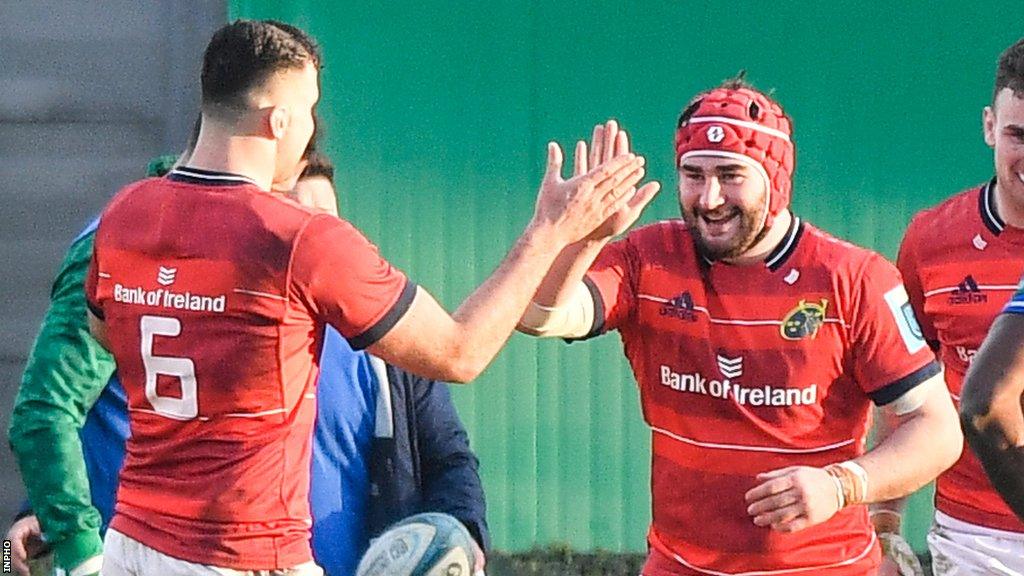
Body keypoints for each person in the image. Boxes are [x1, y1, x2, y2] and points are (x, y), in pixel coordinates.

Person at [35, 18, 650, 575]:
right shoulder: (296, 237)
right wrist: (551, 232)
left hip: (131, 546)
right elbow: (460, 353)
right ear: (278, 120)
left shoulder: (123, 216)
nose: (310, 133)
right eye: (308, 112)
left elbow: (101, 343)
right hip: (243, 555)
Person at [516, 80, 962, 575]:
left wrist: (840, 484)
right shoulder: (649, 257)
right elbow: (540, 316)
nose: (709, 199)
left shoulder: (853, 279)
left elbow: (938, 432)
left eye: (731, 175)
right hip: (679, 565)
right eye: (693, 174)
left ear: (775, 179)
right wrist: (578, 239)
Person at [6, 154, 490, 576]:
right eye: (295, 223)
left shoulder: (385, 342)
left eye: (326, 226)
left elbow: (448, 455)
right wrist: (47, 516)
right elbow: (58, 412)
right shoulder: (185, 309)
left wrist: (463, 535)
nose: (311, 242)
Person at [953, 37, 1024, 569]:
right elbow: (902, 389)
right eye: (1018, 134)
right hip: (973, 530)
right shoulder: (932, 237)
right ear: (988, 127)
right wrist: (885, 526)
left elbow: (984, 402)